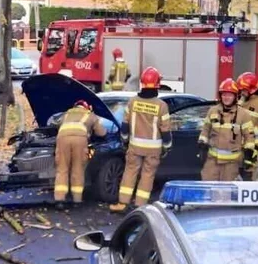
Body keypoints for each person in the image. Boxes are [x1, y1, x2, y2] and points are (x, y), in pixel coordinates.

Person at [109, 67, 172, 212]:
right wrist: (167, 147)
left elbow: (125, 126)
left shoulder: (132, 102)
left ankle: (122, 204)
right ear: (157, 84)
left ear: (142, 83)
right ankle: (139, 206)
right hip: (153, 150)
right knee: (147, 176)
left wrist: (125, 140)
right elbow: (166, 130)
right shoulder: (161, 106)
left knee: (129, 173)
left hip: (135, 146)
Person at [197, 78, 256, 182]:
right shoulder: (213, 111)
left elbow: (249, 137)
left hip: (231, 164)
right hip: (212, 162)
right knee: (208, 190)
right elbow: (206, 129)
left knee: (226, 193)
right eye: (224, 94)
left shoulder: (243, 114)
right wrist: (202, 143)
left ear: (235, 96)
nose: (226, 97)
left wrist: (248, 157)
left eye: (229, 95)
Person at [54, 100, 106, 209]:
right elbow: (101, 133)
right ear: (86, 107)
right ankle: (77, 201)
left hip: (62, 139)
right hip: (80, 140)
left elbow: (56, 125)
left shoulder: (66, 114)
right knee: (78, 169)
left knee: (62, 169)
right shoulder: (90, 115)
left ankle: (59, 200)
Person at [237, 71, 258, 181]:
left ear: (251, 90)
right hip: (240, 142)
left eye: (243, 90)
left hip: (255, 144)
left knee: (249, 171)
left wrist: (252, 132)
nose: (241, 92)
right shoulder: (242, 100)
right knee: (238, 169)